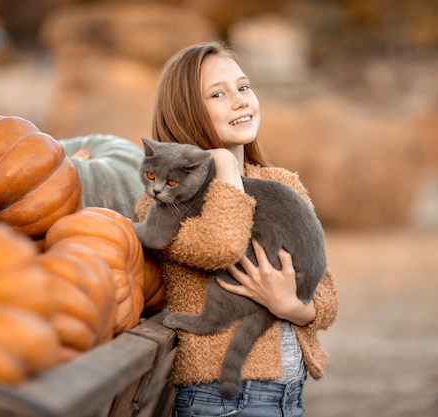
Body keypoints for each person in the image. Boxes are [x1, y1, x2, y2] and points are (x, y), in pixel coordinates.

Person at [134, 41, 338, 417]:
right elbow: (223, 246)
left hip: (290, 397)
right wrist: (226, 168)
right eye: (218, 94)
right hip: (219, 400)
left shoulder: (283, 185)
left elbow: (326, 298)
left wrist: (291, 306)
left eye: (243, 87)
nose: (240, 100)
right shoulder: (166, 202)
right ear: (186, 113)